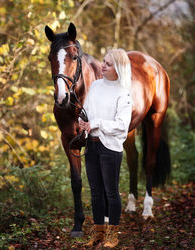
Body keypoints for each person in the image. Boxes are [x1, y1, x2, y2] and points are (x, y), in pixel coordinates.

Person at [79, 48, 132, 248]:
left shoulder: (123, 92)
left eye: (108, 64)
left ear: (118, 68)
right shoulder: (95, 86)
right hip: (91, 145)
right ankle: (99, 232)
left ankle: (113, 234)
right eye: (103, 61)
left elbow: (122, 125)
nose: (102, 65)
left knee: (111, 192)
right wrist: (83, 121)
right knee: (95, 192)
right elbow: (87, 111)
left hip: (110, 148)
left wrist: (97, 123)